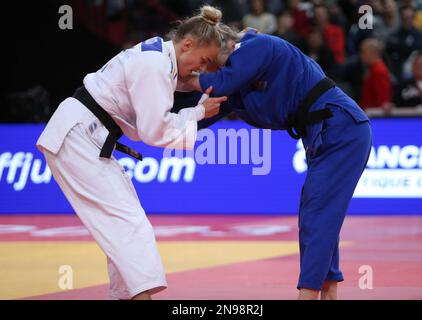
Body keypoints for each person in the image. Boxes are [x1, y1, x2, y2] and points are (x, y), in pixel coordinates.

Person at [36, 5, 227, 300]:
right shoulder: (155, 65)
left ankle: (127, 296)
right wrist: (199, 111)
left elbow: (176, 83)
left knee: (123, 223)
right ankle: (139, 297)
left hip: (84, 135)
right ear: (187, 44)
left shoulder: (159, 56)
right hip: (79, 137)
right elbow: (155, 132)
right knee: (127, 223)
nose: (200, 69)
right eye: (202, 61)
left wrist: (201, 85)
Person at [182, 27, 372, 300]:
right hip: (325, 136)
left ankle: (307, 294)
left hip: (342, 128)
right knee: (319, 212)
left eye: (205, 61)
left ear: (219, 47)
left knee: (317, 213)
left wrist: (186, 78)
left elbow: (220, 83)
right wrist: (152, 121)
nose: (203, 67)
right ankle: (330, 290)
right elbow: (199, 115)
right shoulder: (239, 86)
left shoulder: (257, 45)